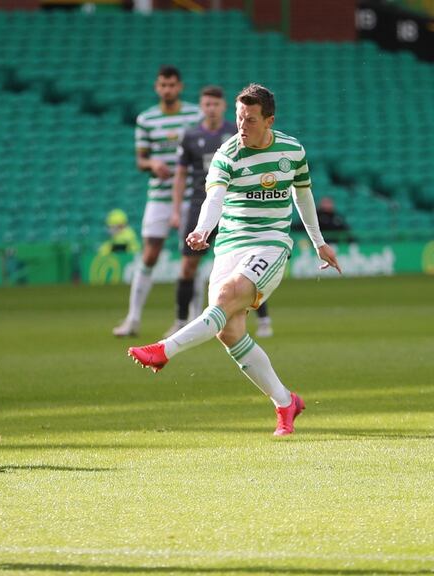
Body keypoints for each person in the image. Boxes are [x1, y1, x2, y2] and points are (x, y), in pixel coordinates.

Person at [128, 83, 341, 436]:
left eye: (251, 120)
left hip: (270, 243)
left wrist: (318, 242)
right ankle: (286, 402)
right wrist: (202, 229)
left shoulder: (292, 151)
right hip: (229, 245)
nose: (242, 126)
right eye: (240, 118)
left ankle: (164, 349)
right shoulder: (227, 153)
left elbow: (303, 196)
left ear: (269, 120)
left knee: (226, 299)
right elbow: (213, 198)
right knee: (228, 331)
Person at [165, 86, 273, 339]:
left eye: (215, 104)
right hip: (198, 205)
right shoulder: (190, 136)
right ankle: (181, 320)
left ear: (223, 107)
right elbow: (180, 175)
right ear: (201, 107)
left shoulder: (236, 133)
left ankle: (265, 320)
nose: (211, 108)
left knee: (245, 267)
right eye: (206, 104)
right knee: (188, 266)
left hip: (233, 206)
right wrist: (176, 210)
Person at [113, 65, 201, 337]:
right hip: (159, 197)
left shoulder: (194, 115)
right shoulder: (147, 119)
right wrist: (152, 163)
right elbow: (140, 160)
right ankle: (133, 319)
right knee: (149, 254)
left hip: (191, 196)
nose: (168, 90)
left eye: (172, 85)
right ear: (157, 87)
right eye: (163, 85)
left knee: (191, 257)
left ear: (180, 87)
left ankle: (197, 320)